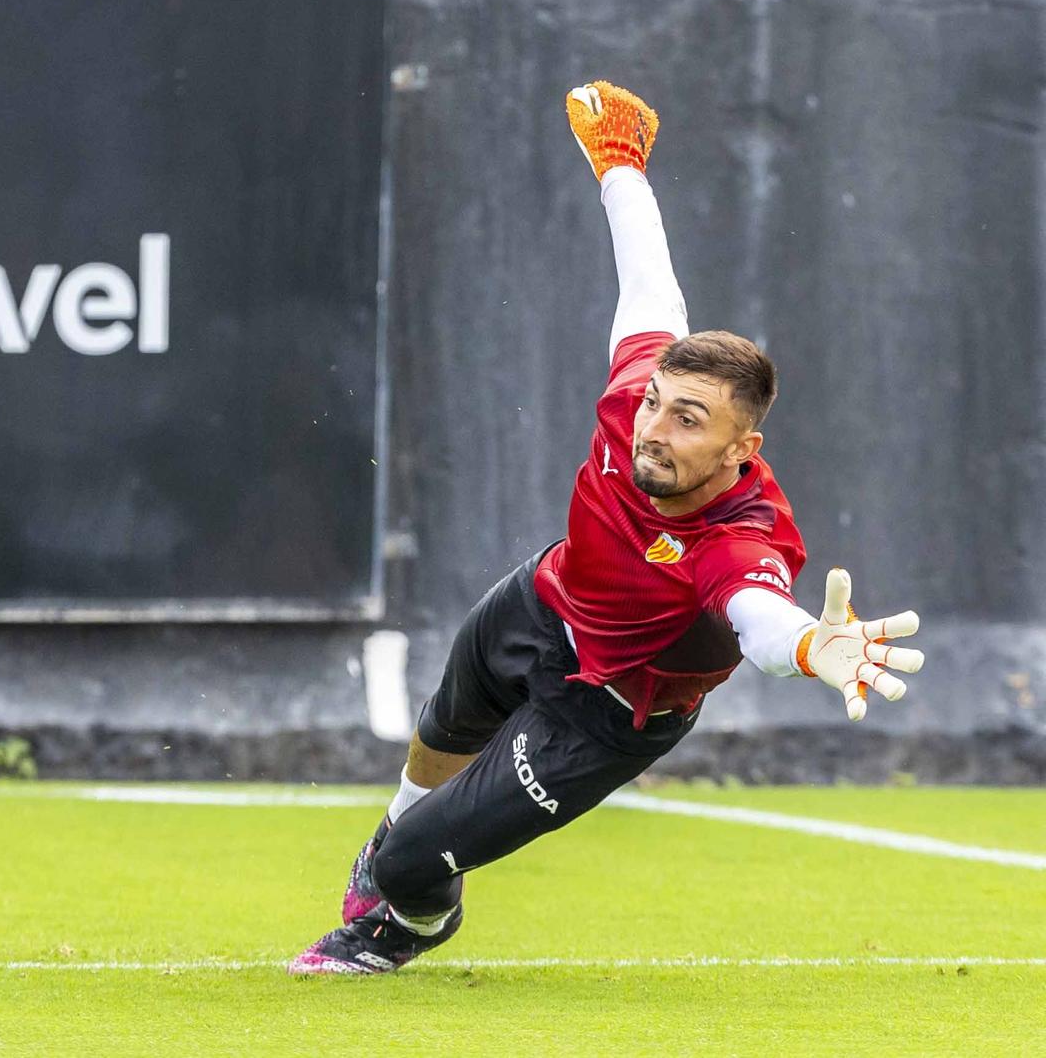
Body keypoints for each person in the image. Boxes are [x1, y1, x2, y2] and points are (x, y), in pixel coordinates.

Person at [288, 81, 927, 976]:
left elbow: (761, 617)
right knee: (441, 729)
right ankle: (395, 836)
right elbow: (649, 282)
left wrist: (818, 649)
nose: (655, 428)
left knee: (410, 872)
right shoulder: (640, 392)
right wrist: (621, 170)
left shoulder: (740, 540)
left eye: (690, 419)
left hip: (609, 709)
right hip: (547, 602)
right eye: (659, 402)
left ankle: (409, 923)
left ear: (744, 448)